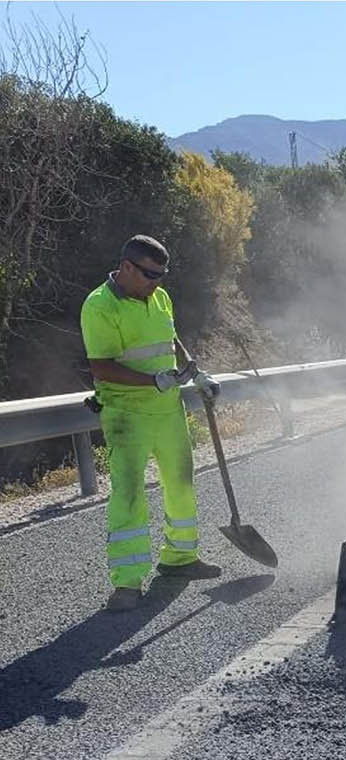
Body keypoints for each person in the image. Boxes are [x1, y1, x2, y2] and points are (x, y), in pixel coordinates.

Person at [80, 235, 223, 612]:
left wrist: (196, 374)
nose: (156, 282)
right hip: (126, 414)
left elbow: (170, 339)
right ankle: (127, 582)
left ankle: (180, 558)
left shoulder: (160, 297)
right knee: (129, 495)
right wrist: (152, 381)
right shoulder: (99, 305)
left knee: (181, 483)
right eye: (149, 275)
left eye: (161, 275)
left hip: (168, 411)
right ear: (126, 267)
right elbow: (101, 366)